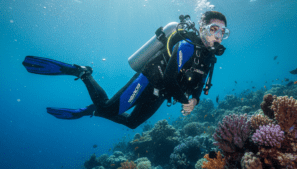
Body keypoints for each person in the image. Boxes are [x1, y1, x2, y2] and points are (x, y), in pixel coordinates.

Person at [22, 11, 229, 129]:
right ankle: (83, 73)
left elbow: (199, 85)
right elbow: (168, 78)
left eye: (223, 32)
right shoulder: (187, 45)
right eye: (213, 29)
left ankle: (94, 110)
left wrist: (194, 100)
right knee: (109, 109)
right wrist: (185, 102)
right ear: (202, 28)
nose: (218, 36)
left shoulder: (208, 57)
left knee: (132, 123)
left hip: (161, 93)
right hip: (149, 79)